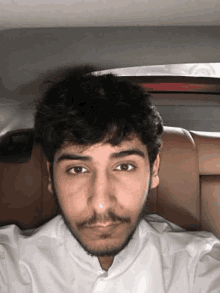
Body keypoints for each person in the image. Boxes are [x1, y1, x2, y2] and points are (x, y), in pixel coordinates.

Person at [1, 66, 220, 292]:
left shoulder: (196, 266)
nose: (101, 203)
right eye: (77, 170)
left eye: (124, 167)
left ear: (154, 170)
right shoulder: (10, 267)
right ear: (50, 176)